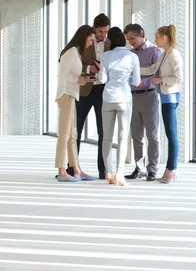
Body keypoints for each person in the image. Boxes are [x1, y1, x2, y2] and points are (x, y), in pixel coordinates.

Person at [68, 13, 111, 179]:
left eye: (105, 31)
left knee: (103, 131)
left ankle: (103, 170)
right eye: (100, 31)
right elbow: (75, 63)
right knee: (76, 129)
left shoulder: (110, 43)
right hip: (85, 89)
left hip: (103, 90)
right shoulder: (83, 42)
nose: (103, 35)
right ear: (94, 28)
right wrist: (89, 70)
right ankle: (72, 167)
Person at [98, 27, 141, 186]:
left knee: (107, 138)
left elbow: (102, 79)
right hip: (124, 99)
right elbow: (136, 82)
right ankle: (120, 173)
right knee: (122, 138)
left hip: (108, 98)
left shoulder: (105, 56)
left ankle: (108, 173)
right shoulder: (132, 57)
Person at [140, 25, 183, 184]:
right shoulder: (165, 54)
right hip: (165, 97)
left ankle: (171, 170)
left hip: (170, 97)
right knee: (169, 134)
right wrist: (135, 69)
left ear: (164, 37)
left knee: (171, 135)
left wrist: (161, 80)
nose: (155, 39)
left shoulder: (174, 55)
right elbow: (152, 69)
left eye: (157, 36)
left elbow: (179, 78)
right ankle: (170, 170)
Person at [55, 25, 97, 182]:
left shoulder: (76, 52)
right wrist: (78, 79)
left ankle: (76, 169)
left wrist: (82, 79)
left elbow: (71, 74)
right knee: (64, 134)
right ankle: (61, 170)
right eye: (91, 39)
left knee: (73, 134)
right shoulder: (72, 51)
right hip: (65, 95)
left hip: (72, 95)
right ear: (84, 36)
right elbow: (64, 74)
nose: (91, 43)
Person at [123, 24, 162, 181]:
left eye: (132, 38)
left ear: (141, 35)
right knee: (136, 135)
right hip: (133, 97)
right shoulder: (130, 54)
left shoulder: (154, 51)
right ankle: (139, 168)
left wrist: (143, 83)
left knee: (152, 135)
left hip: (149, 96)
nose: (130, 42)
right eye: (128, 39)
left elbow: (157, 74)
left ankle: (152, 169)